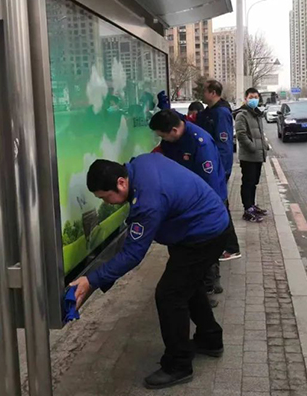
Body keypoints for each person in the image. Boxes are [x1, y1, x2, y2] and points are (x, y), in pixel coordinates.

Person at [71, 154, 233, 389]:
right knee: (188, 285)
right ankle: (210, 339)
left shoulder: (147, 201)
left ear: (121, 183)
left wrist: (92, 280)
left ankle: (178, 365)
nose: (108, 203)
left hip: (204, 235)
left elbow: (133, 254)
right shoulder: (140, 165)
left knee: (169, 295)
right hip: (203, 225)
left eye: (106, 197)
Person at [149, 110, 228, 306]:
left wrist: (207, 211)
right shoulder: (172, 139)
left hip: (207, 202)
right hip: (186, 198)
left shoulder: (200, 143)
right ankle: (203, 285)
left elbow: (210, 182)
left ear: (174, 130)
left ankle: (207, 289)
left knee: (204, 244)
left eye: (162, 135)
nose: (162, 140)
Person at [197, 80, 241, 260]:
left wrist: (220, 171)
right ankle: (223, 245)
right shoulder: (208, 112)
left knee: (220, 206)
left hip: (216, 170)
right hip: (208, 168)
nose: (202, 94)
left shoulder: (221, 113)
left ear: (213, 93)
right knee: (217, 206)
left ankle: (231, 247)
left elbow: (224, 146)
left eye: (204, 91)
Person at [235, 87, 270, 223]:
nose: (254, 99)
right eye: (251, 97)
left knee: (254, 182)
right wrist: (253, 147)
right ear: (246, 99)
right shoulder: (242, 115)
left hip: (257, 155)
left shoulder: (256, 114)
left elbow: (260, 134)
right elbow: (241, 135)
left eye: (256, 97)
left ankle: (252, 205)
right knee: (248, 182)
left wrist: (264, 146)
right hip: (248, 156)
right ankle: (247, 209)